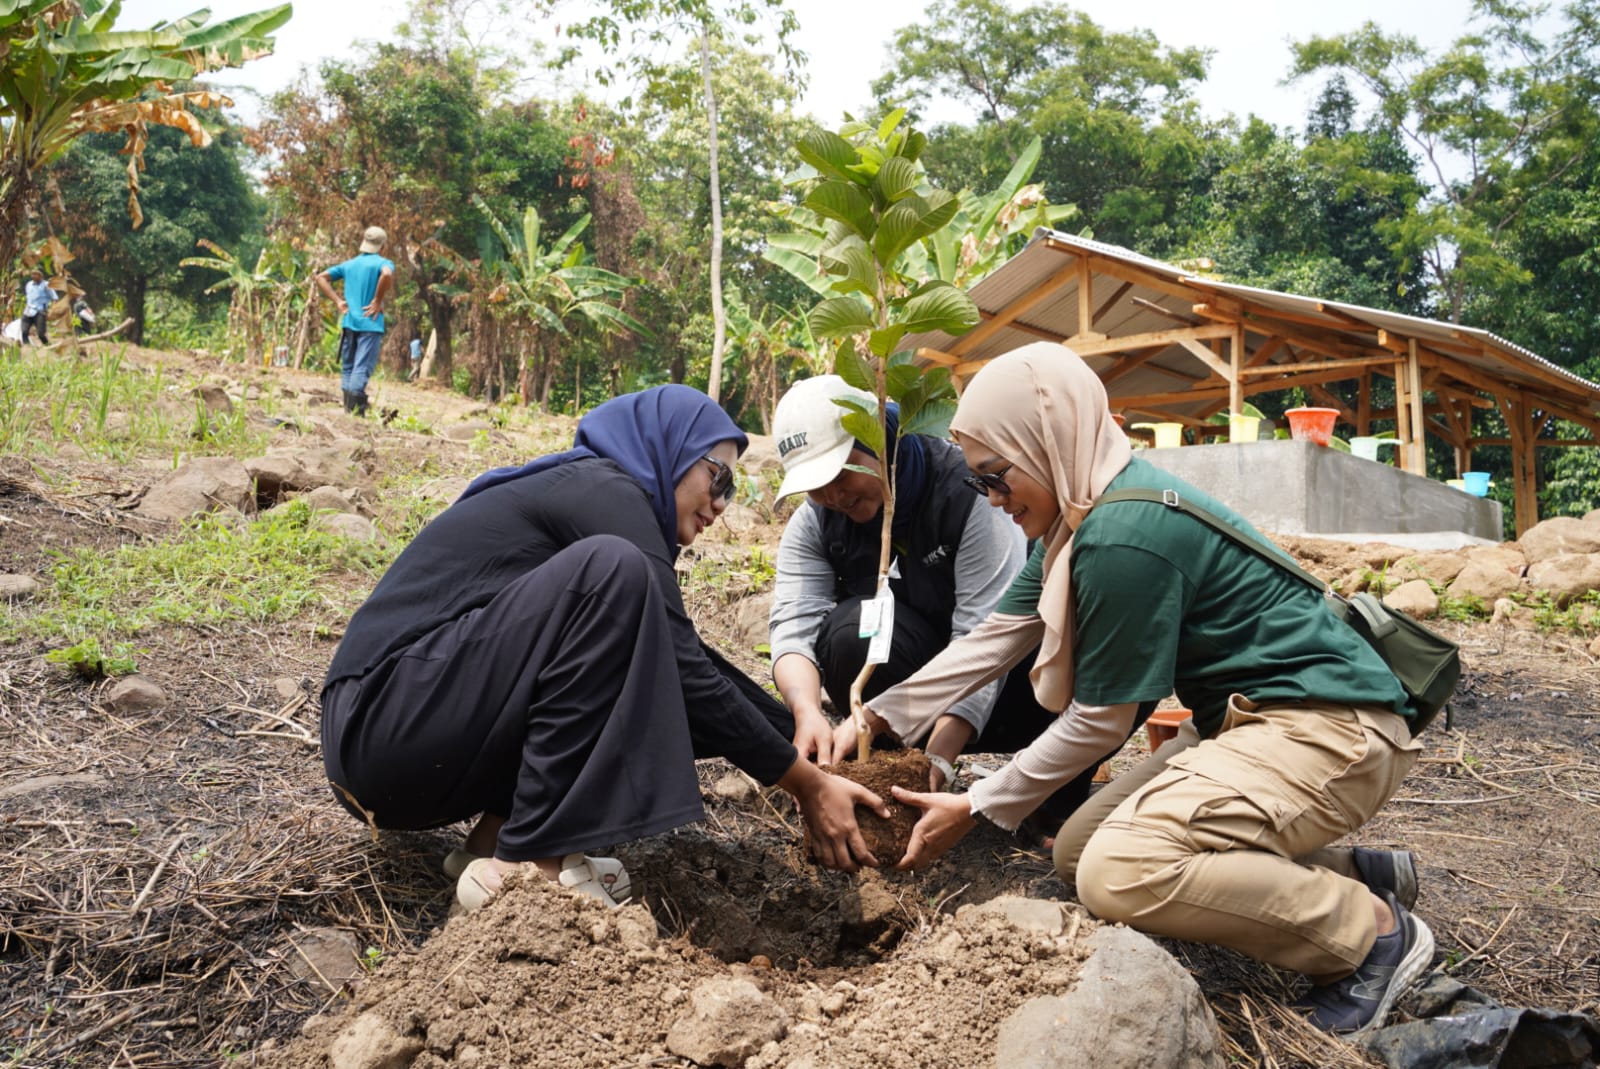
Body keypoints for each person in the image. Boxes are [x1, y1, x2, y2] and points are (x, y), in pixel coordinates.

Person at [851, 342, 1434, 1036]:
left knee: (1120, 870)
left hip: (1331, 728)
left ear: (1046, 440)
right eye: (980, 484)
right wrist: (874, 713)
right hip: (1255, 722)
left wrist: (976, 801)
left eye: (998, 477)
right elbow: (994, 639)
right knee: (1077, 851)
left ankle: (1368, 933)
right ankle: (1351, 871)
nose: (994, 499)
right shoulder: (1078, 516)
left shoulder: (1123, 533)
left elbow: (1101, 722)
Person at [320, 384, 889, 912]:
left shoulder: (600, 506)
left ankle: (492, 846)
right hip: (381, 724)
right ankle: (530, 868)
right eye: (718, 479)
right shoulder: (604, 489)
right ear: (667, 450)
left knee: (633, 642)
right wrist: (804, 782)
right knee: (614, 572)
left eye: (733, 491)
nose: (721, 505)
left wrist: (800, 739)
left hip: (416, 744)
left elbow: (680, 665)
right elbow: (685, 668)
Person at [769, 375, 1149, 832]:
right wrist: (816, 713)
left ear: (882, 440)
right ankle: (891, 781)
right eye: (815, 485)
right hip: (919, 686)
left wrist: (947, 767)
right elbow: (795, 624)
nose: (831, 496)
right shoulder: (816, 523)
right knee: (851, 633)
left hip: (1018, 692)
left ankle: (1056, 793)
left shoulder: (972, 497)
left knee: (1109, 651)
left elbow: (987, 639)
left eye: (839, 474)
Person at [315, 226, 395, 416]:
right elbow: (387, 274)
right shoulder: (383, 263)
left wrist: (338, 302)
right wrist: (377, 300)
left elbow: (321, 277)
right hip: (370, 323)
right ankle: (355, 412)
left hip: (349, 322)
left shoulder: (349, 265)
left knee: (348, 367)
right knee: (361, 367)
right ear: (382, 246)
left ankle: (347, 410)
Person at [21, 269, 57, 347]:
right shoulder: (29, 284)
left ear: (40, 276)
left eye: (35, 274)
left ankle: (48, 346)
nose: (33, 276)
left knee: (41, 334)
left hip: (40, 311)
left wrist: (52, 309)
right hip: (28, 310)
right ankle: (27, 348)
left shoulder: (46, 285)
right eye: (32, 274)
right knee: (24, 331)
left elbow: (54, 298)